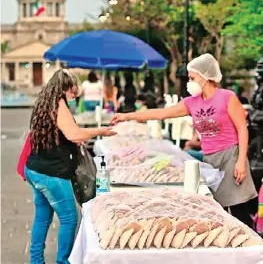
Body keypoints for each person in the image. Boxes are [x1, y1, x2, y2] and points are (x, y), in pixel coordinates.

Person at [112, 53, 257, 228]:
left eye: (192, 78)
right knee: (219, 212)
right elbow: (161, 113)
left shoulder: (227, 97)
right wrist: (127, 116)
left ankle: (256, 249)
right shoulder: (191, 102)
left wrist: (241, 161)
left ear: (205, 76)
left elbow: (242, 128)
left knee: (239, 211)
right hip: (210, 159)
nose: (189, 82)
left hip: (231, 156)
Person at [25, 69, 116, 264]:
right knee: (69, 219)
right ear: (63, 89)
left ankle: (36, 261)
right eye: (72, 94)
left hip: (35, 169)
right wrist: (101, 131)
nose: (73, 98)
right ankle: (63, 261)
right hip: (51, 173)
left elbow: (62, 134)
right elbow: (74, 134)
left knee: (42, 218)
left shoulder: (43, 102)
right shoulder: (58, 104)